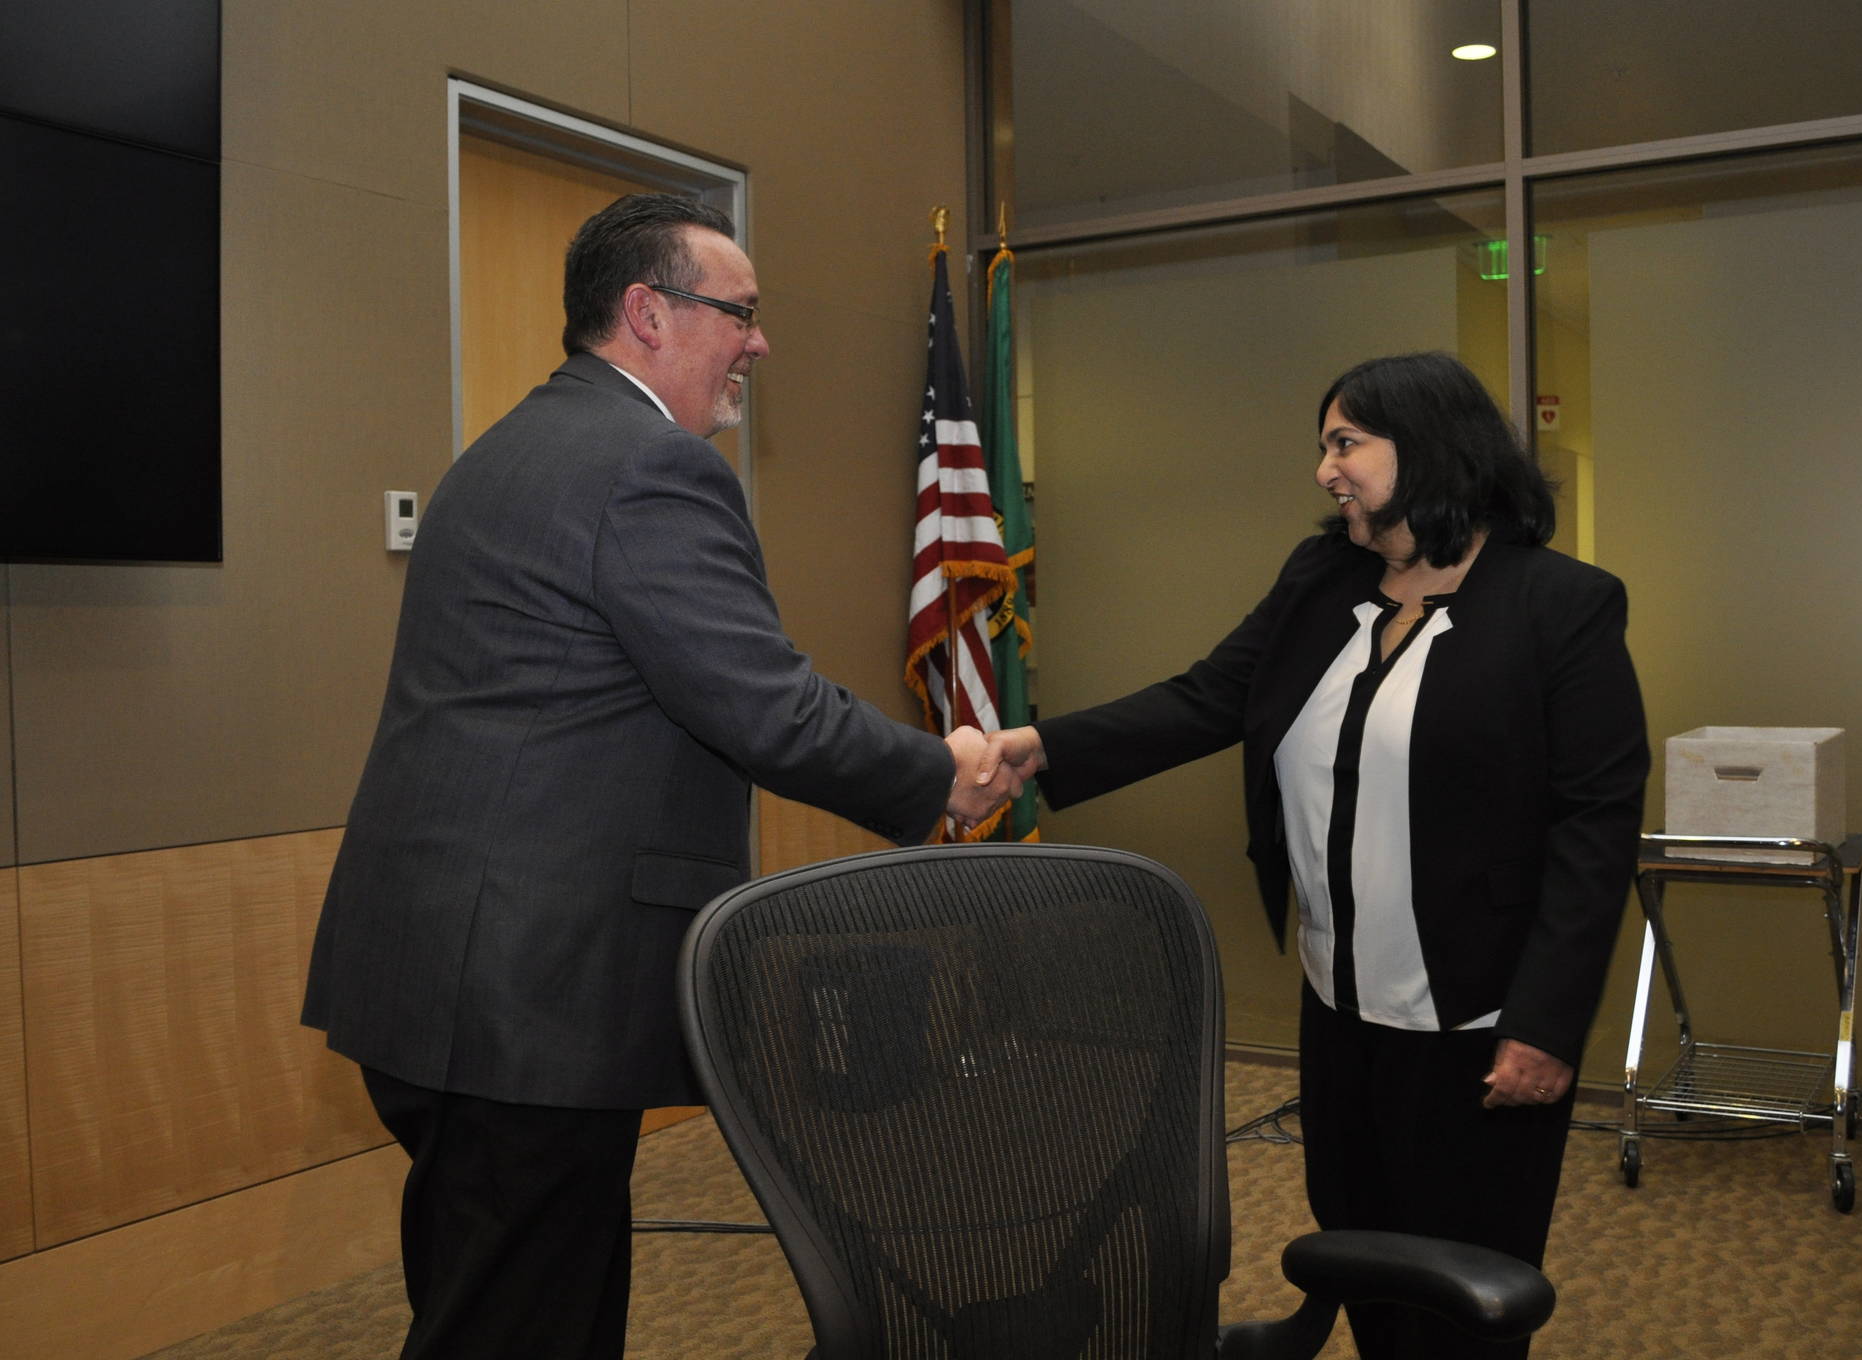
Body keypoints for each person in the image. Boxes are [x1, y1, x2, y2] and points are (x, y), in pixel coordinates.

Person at [302, 192, 1019, 1360]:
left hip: (437, 971)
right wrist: (935, 772)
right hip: (528, 993)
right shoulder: (646, 466)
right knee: (527, 1320)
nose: (758, 341)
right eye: (739, 312)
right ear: (647, 312)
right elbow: (762, 703)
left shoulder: (507, 447)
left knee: (483, 1289)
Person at [977, 352, 1647, 1359]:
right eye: (1324, 446)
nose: (1325, 470)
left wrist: (1544, 1025)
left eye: (1345, 444)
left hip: (1475, 1022)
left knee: (1463, 1294)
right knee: (1360, 1257)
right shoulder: (1320, 577)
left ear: (1425, 447)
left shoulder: (1560, 604)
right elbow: (1209, 696)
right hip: (1337, 1007)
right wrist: (1043, 749)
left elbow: (1593, 825)